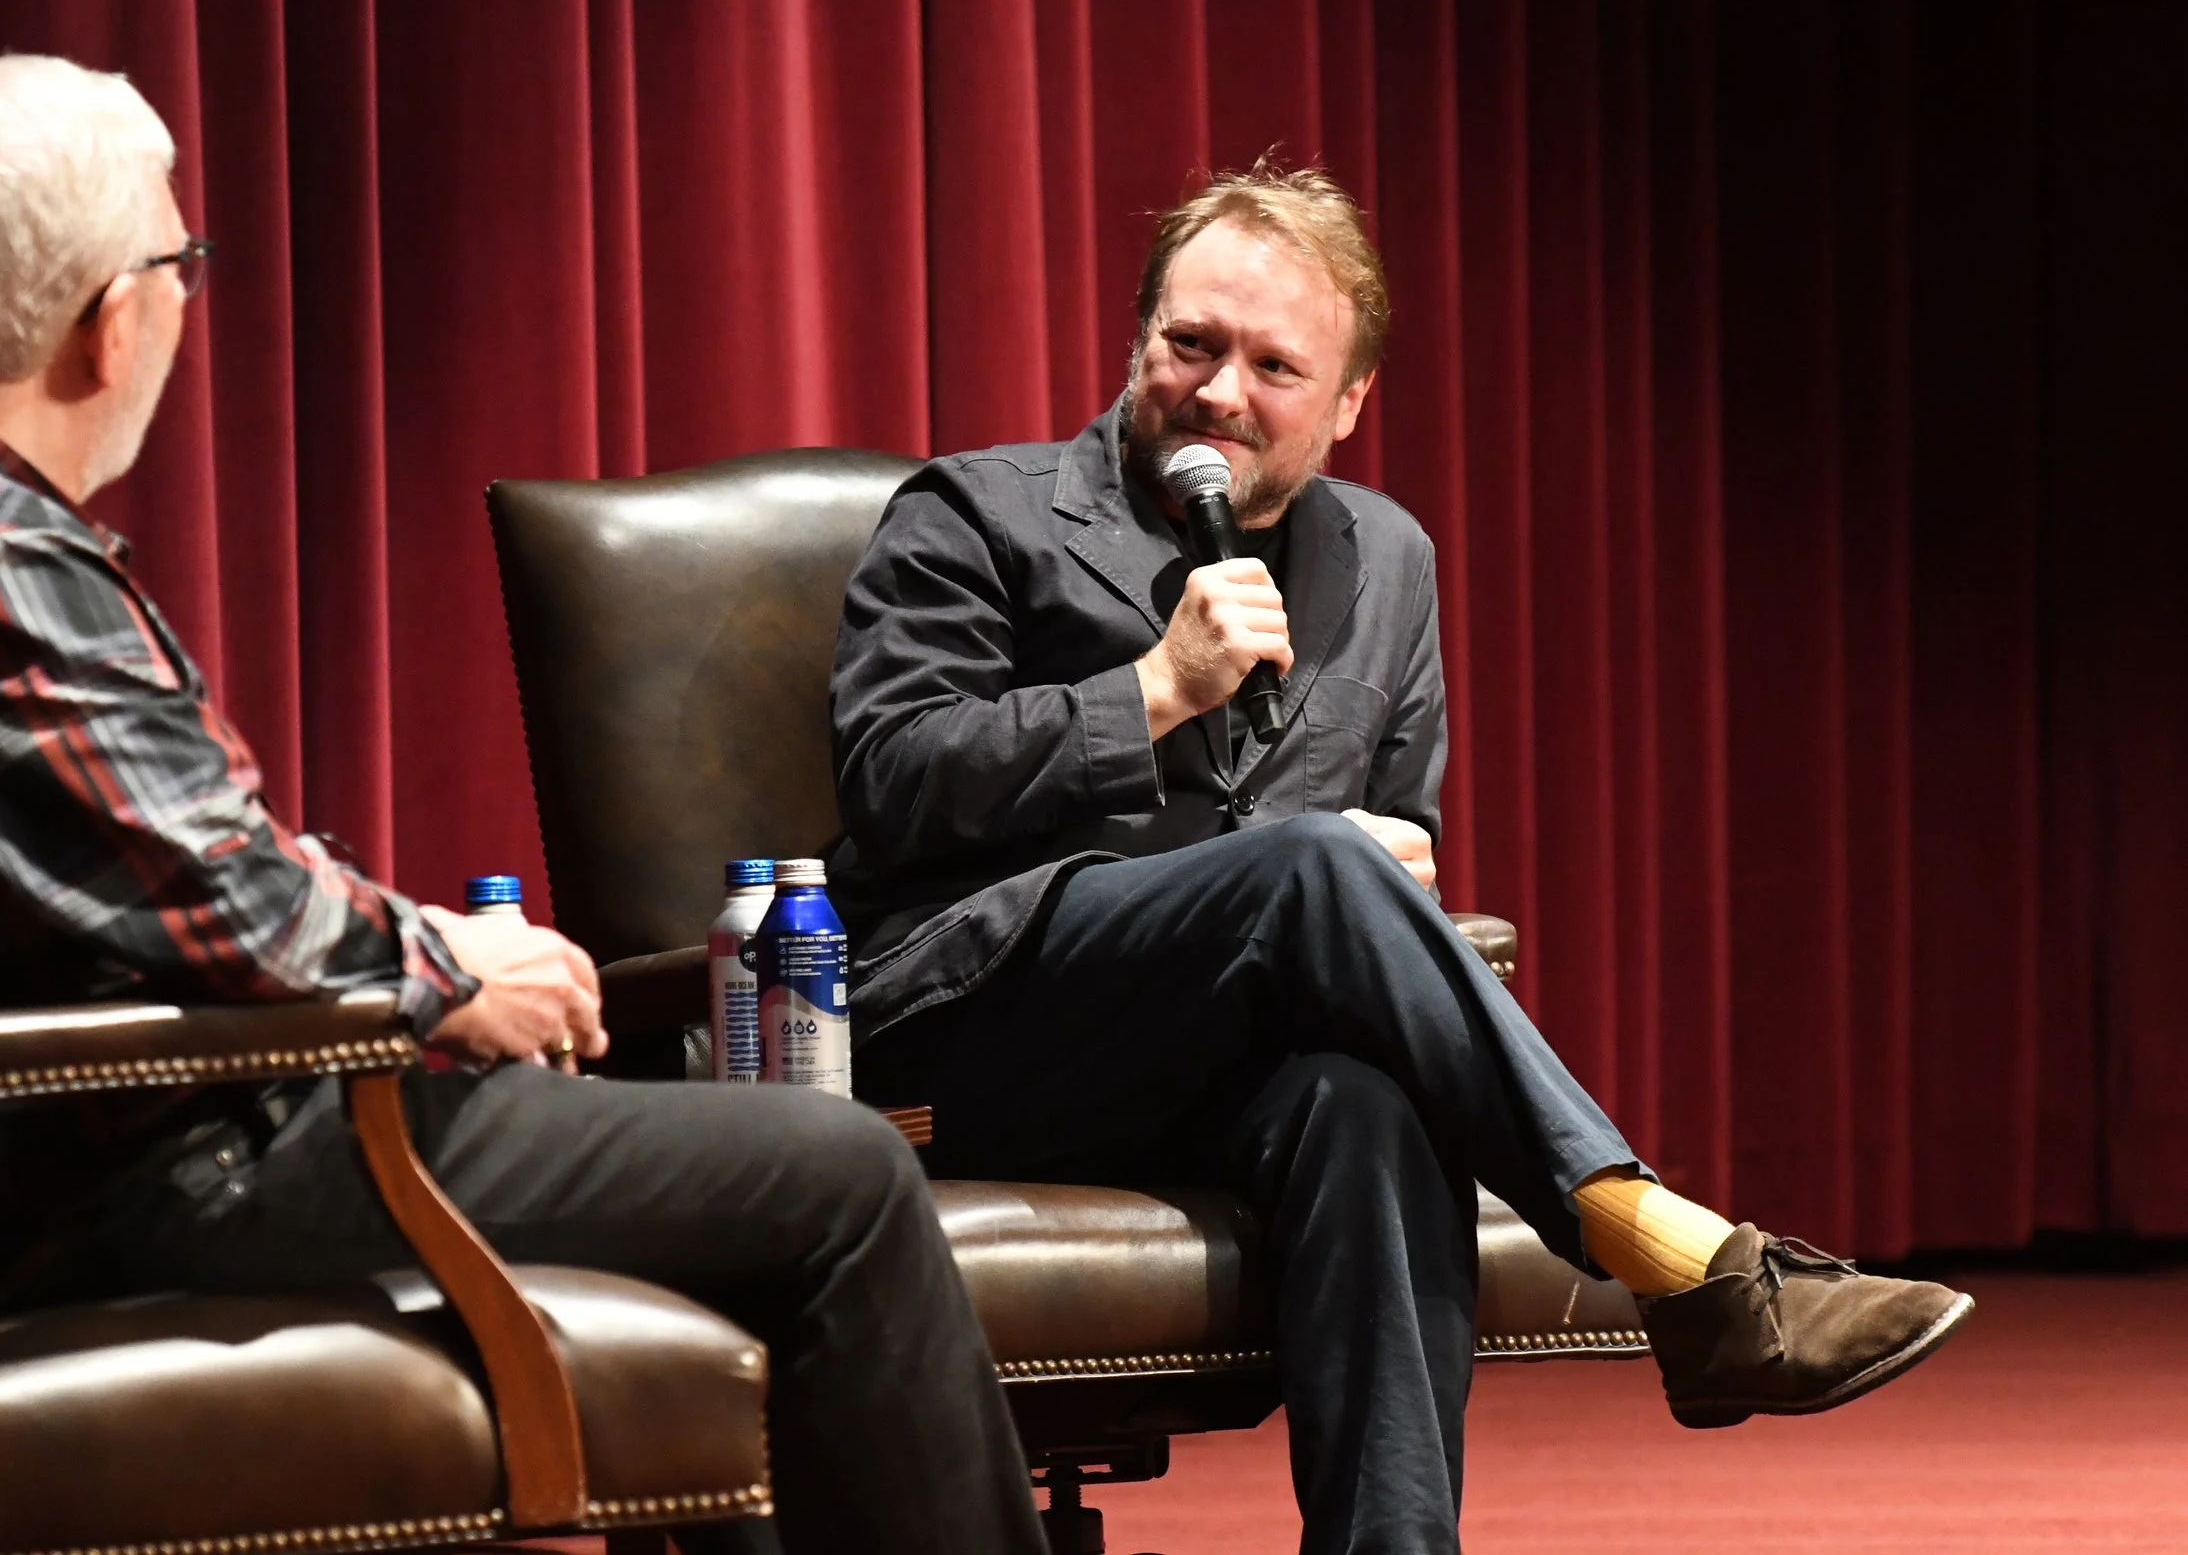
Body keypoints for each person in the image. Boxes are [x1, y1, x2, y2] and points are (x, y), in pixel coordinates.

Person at [0, 53, 1048, 1555]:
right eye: (181, 261)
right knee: (846, 1173)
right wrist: (447, 969)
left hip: (122, 1124)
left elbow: (166, 866)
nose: (184, 297)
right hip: (166, 1159)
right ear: (107, 322)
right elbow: (233, 908)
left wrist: (420, 939)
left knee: (721, 1187)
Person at [834, 162, 1973, 1554]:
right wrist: (1151, 694)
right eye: (1188, 346)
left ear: (1350, 403)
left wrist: (1391, 862)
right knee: (1314, 871)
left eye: (1274, 366)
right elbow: (890, 781)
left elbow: (1393, 822)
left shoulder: (1388, 556)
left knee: (1366, 1107)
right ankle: (1668, 1252)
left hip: (1210, 1058)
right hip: (970, 1033)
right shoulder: (976, 515)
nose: (1220, 395)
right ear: (1136, 339)